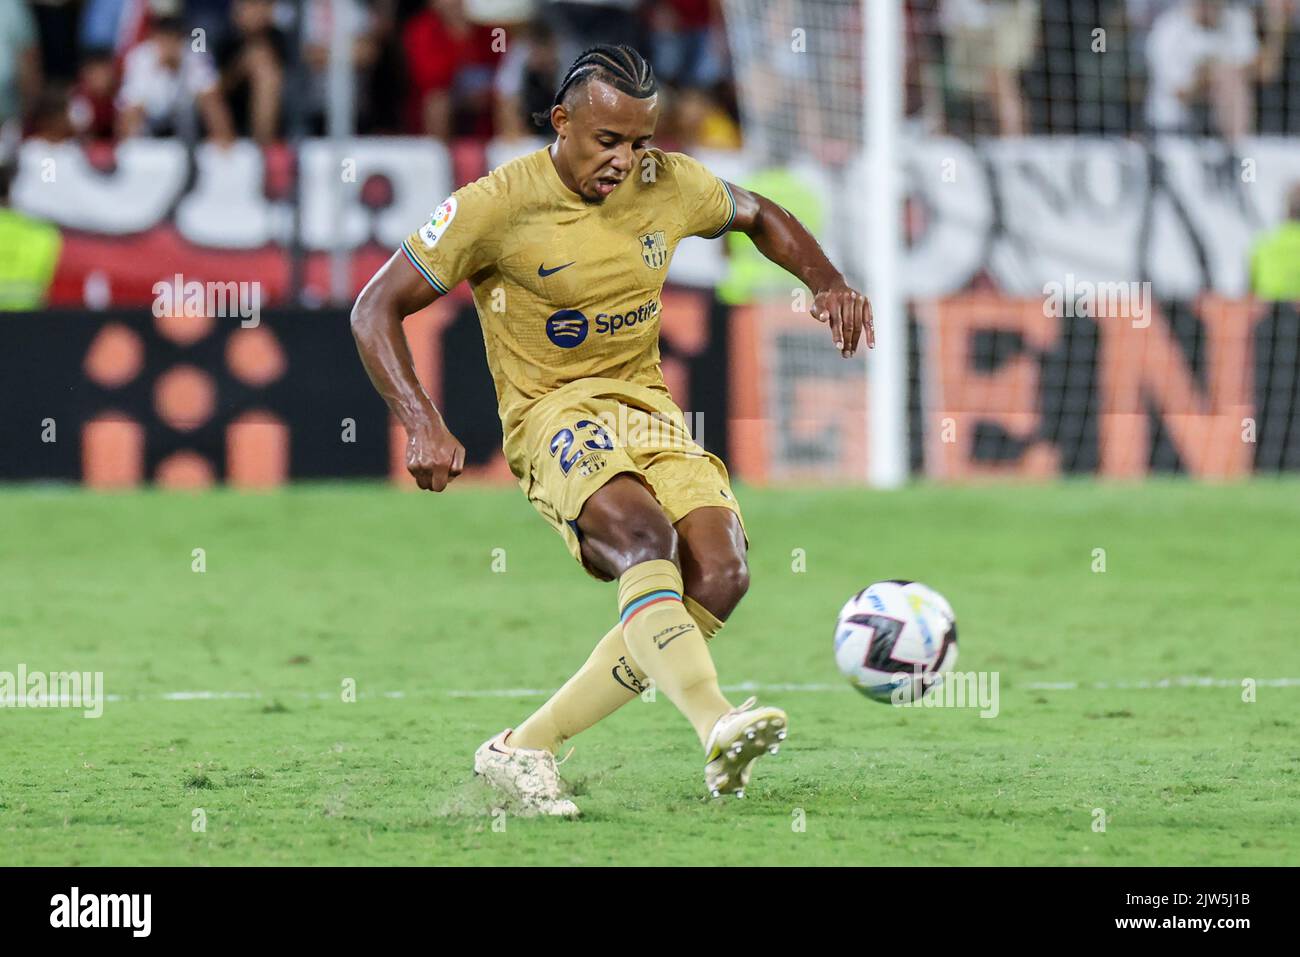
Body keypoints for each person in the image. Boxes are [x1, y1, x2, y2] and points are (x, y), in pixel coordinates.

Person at [350, 45, 873, 816]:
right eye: (608, 141)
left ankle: (523, 748)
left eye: (641, 142)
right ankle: (716, 722)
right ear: (562, 122)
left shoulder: (671, 185)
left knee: (721, 572)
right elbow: (374, 307)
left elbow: (759, 213)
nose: (626, 161)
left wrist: (827, 283)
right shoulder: (496, 204)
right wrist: (420, 422)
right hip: (550, 412)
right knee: (641, 538)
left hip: (646, 407)